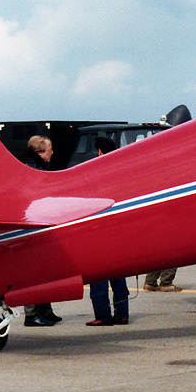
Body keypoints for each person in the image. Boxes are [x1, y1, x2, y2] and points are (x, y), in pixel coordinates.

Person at [86, 136, 131, 326]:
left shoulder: (96, 173)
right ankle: (122, 313)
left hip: (100, 229)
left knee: (98, 274)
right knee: (118, 275)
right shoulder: (121, 172)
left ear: (99, 152)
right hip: (119, 230)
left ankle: (103, 314)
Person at [23, 136, 62, 327]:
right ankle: (31, 314)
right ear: (39, 152)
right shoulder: (33, 171)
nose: (52, 152)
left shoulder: (35, 168)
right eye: (49, 149)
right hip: (33, 227)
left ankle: (45, 310)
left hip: (38, 224)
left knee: (44, 270)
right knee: (33, 272)